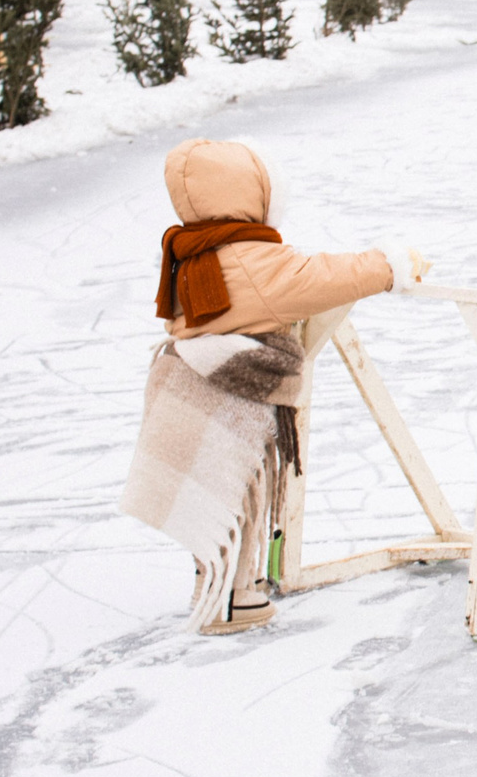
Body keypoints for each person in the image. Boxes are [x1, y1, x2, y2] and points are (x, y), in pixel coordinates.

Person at [123, 139, 423, 634]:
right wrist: (391, 263)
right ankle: (229, 598)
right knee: (238, 496)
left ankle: (216, 586)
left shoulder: (191, 253)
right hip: (234, 396)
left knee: (218, 496)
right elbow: (325, 277)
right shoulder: (253, 262)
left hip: (192, 388)